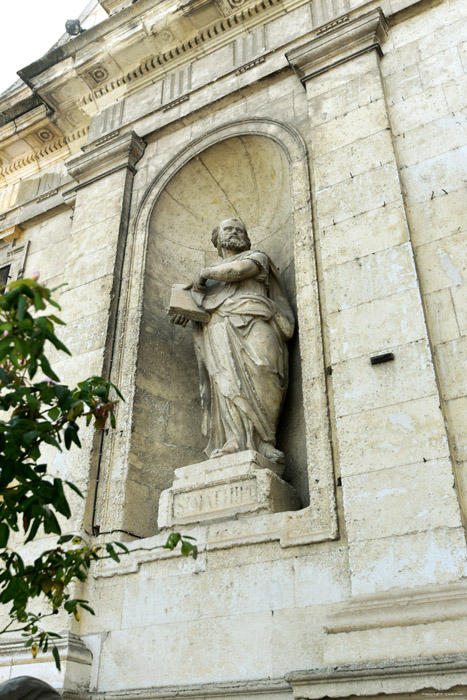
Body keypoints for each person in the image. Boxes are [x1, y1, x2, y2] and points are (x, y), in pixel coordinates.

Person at [171, 218, 294, 463]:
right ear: (217, 238)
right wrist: (187, 310)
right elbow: (201, 306)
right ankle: (235, 440)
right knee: (226, 383)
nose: (235, 233)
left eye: (240, 230)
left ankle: (265, 440)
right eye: (229, 229)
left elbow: (239, 272)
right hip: (219, 330)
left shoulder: (257, 257)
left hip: (257, 320)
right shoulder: (209, 283)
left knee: (266, 370)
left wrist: (204, 273)